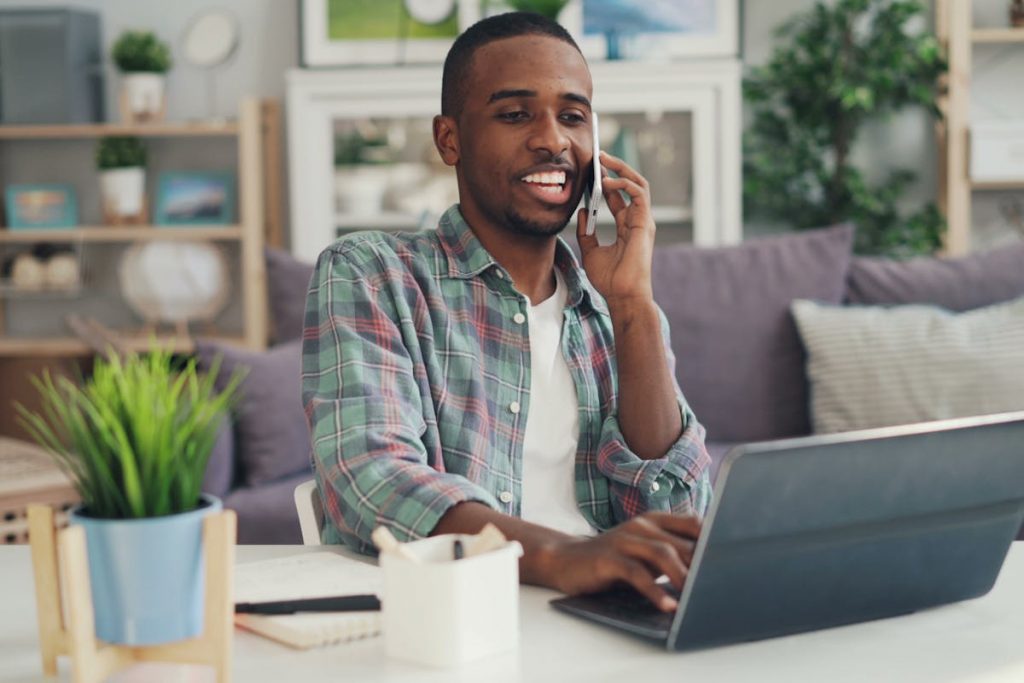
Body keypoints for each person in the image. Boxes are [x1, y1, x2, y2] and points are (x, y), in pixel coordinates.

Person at [301, 12, 711, 612]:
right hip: (450, 619)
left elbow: (677, 518)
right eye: (515, 114)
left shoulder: (615, 311)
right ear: (450, 139)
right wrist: (562, 557)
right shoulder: (372, 275)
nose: (553, 140)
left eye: (573, 116)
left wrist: (632, 307)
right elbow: (373, 478)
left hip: (606, 615)